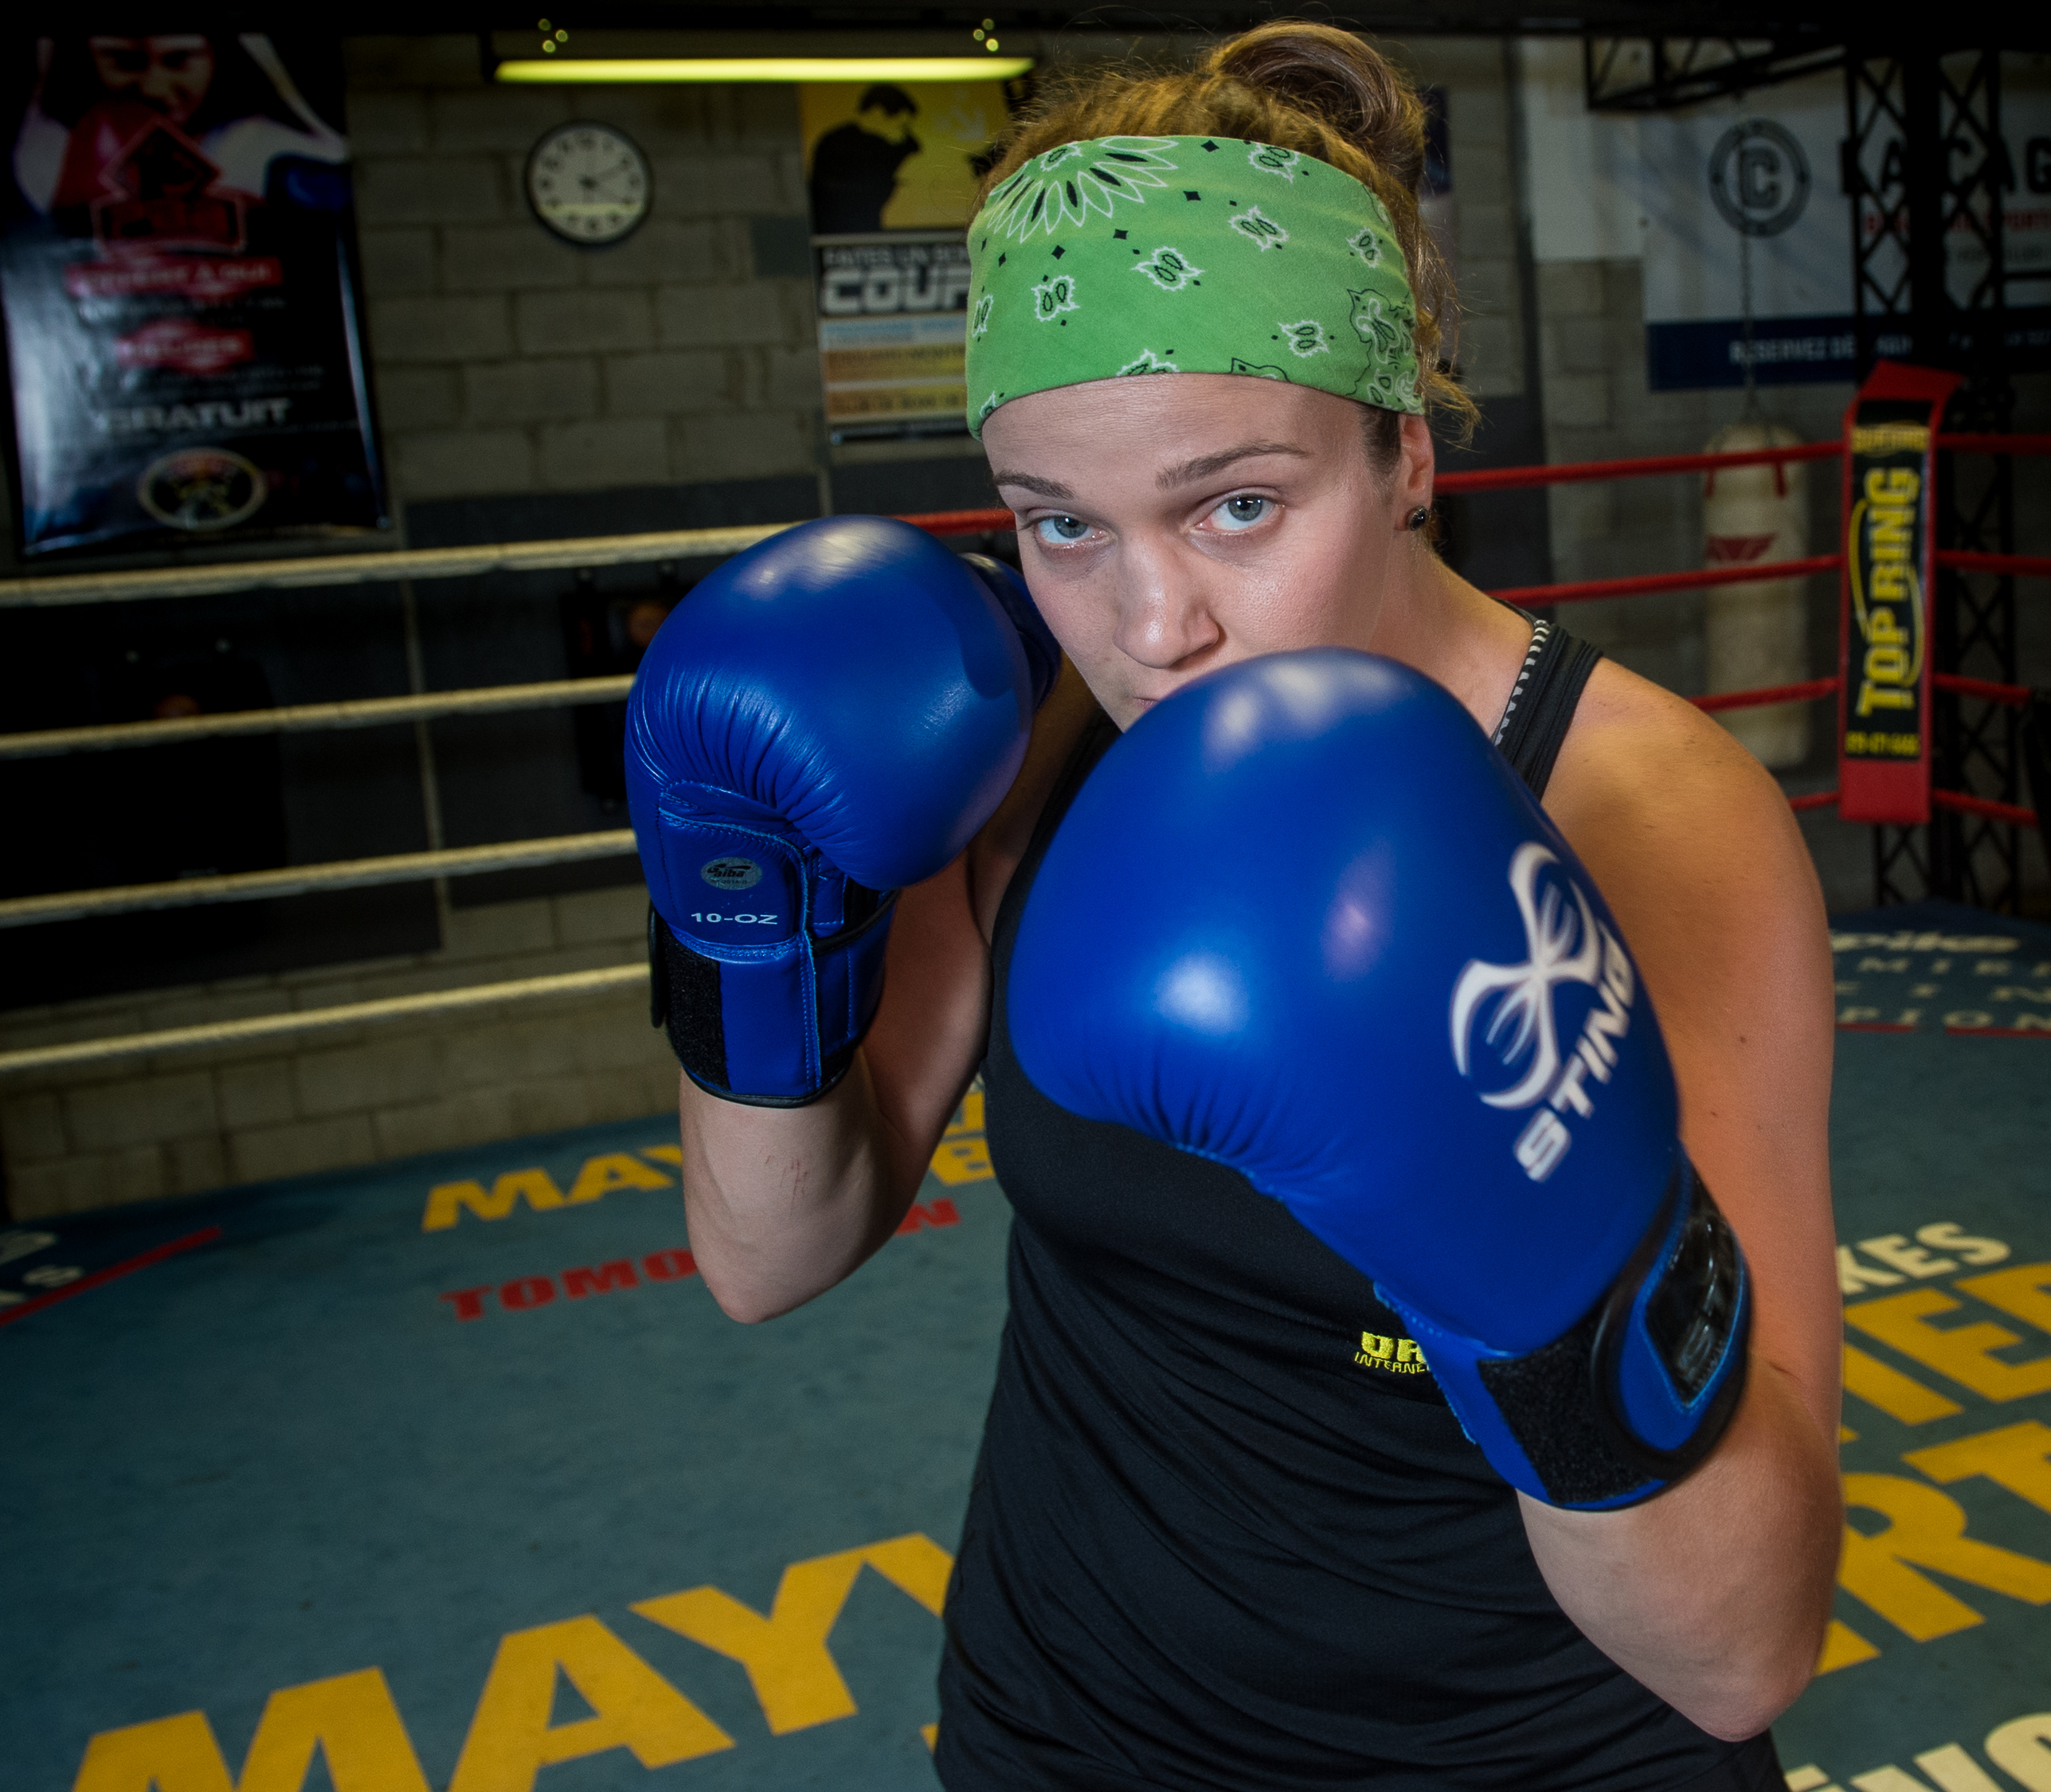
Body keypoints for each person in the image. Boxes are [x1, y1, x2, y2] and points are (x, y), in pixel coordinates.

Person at [625, 22, 1841, 1790]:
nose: (1152, 627)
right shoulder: (1035, 729)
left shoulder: (1645, 825)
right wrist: (749, 931)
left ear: (1406, 455)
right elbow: (766, 1254)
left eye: (1239, 505)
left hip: (1524, 1760)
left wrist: (1545, 1271)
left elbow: (1744, 1651)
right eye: (1062, 525)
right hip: (1069, 1732)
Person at [807, 83, 923, 233]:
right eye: (901, 127)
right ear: (877, 113)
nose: (903, 134)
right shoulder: (838, 144)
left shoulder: (890, 146)